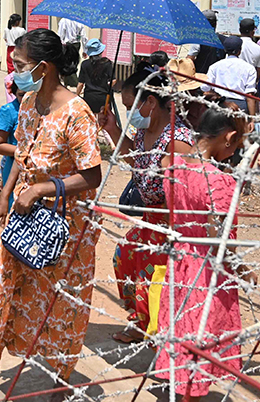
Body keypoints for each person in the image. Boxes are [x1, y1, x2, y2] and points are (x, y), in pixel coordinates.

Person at [0, 29, 103, 384]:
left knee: (61, 304)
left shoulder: (77, 114)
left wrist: (41, 190)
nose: (14, 70)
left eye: (19, 64)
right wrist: (4, 197)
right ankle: (17, 350)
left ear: (44, 68)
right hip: (25, 217)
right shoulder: (27, 104)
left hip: (66, 227)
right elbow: (21, 153)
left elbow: (92, 176)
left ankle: (62, 377)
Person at [156, 108, 254, 397]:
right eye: (236, 145)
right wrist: (242, 268)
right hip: (206, 269)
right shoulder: (219, 182)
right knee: (201, 336)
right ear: (229, 137)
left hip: (180, 259)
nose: (234, 152)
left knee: (183, 333)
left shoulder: (172, 165)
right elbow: (218, 238)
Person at [98, 54, 192, 342]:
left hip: (173, 226)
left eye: (130, 106)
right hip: (150, 221)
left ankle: (159, 332)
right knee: (125, 256)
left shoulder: (178, 139)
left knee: (151, 276)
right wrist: (113, 129)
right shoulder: (142, 132)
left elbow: (187, 193)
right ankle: (141, 320)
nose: (129, 113)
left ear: (150, 102)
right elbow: (134, 159)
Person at [0, 78, 24, 209]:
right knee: (13, 206)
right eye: (22, 94)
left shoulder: (41, 109)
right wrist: (25, 152)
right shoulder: (9, 111)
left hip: (36, 166)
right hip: (14, 165)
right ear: (15, 94)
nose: (26, 98)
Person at [203, 36, 258, 113]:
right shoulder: (249, 68)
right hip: (240, 106)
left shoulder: (214, 66)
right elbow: (250, 95)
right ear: (240, 51)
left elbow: (205, 88)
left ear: (225, 50)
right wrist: (252, 119)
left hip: (219, 104)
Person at [76, 38, 114, 115]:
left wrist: (76, 96)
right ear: (101, 51)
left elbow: (81, 83)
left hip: (89, 97)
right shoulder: (107, 63)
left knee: (91, 120)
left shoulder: (84, 64)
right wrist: (107, 87)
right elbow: (113, 80)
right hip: (103, 97)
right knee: (104, 121)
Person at [194, 9, 226, 73]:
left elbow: (189, 60)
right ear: (216, 24)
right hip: (218, 78)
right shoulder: (224, 40)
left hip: (201, 78)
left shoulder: (198, 40)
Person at [57, 17, 85, 86]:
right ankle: (67, 82)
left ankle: (74, 82)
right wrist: (85, 49)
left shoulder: (64, 20)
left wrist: (60, 46)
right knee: (74, 62)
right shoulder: (80, 21)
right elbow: (84, 36)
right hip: (77, 44)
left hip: (67, 44)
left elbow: (60, 34)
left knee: (67, 63)